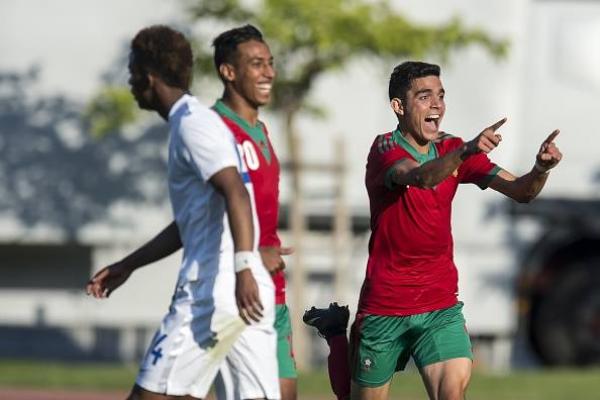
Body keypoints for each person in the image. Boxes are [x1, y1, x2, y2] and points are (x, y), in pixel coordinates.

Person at [303, 61, 562, 400]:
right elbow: (422, 177)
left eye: (440, 95)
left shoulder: (452, 148)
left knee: (451, 394)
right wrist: (466, 150)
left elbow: (522, 191)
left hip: (439, 303)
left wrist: (541, 168)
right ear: (399, 106)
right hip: (386, 304)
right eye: (424, 96)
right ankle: (335, 332)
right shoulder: (385, 149)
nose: (437, 104)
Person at [87, 24, 297, 400]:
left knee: (150, 396)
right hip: (245, 292)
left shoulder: (193, 124)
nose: (131, 82)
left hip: (213, 291)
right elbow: (197, 218)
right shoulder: (202, 122)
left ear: (148, 76)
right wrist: (129, 264)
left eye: (133, 72)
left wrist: (244, 267)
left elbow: (235, 191)